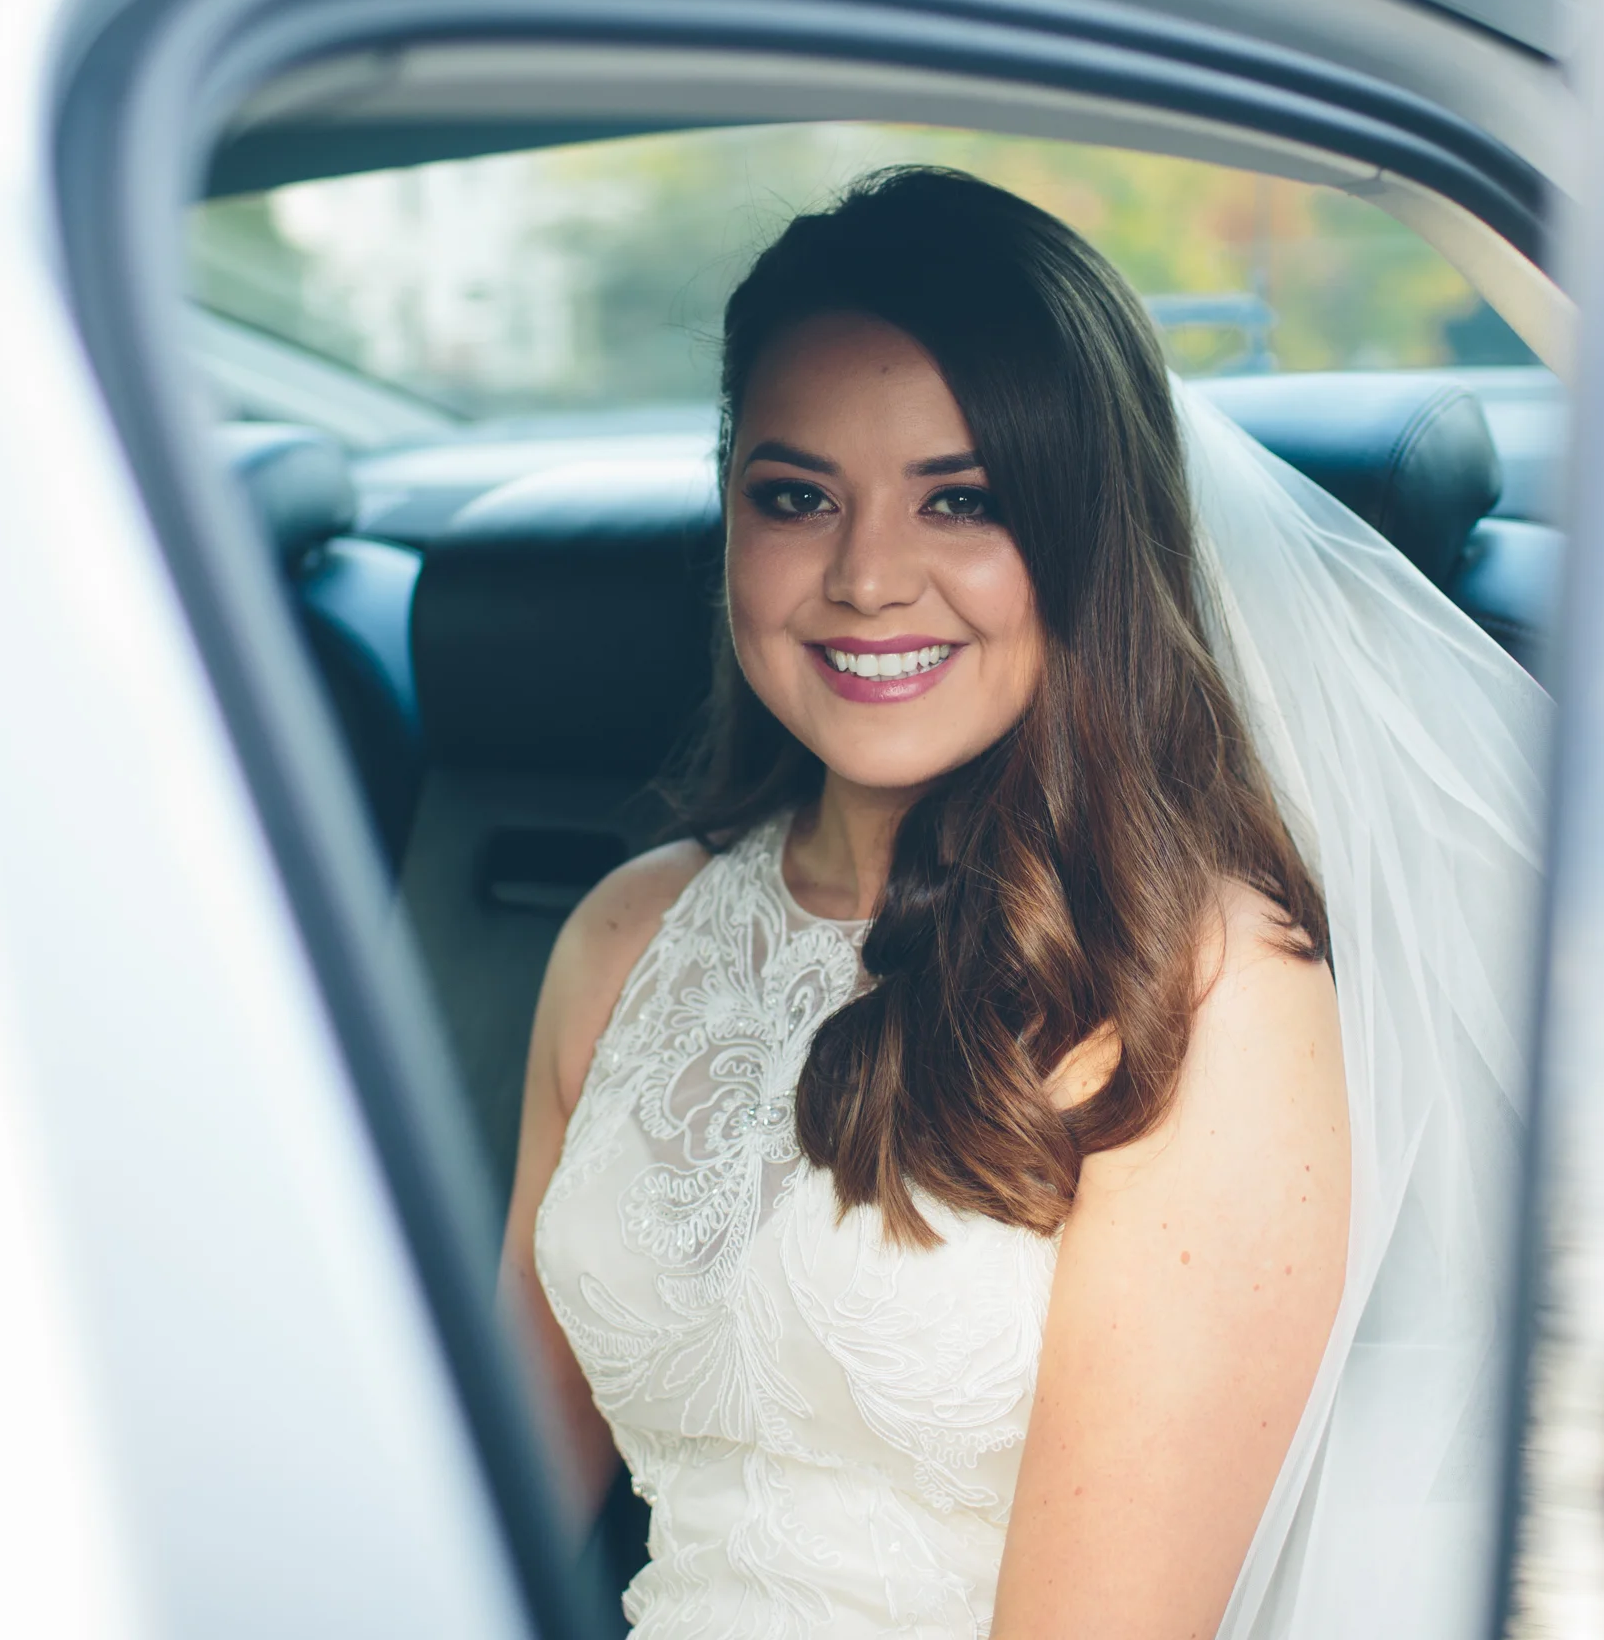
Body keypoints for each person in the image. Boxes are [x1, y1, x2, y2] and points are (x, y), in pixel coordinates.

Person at [504, 167, 1547, 1639]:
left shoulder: (1197, 993)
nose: (868, 578)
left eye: (965, 500)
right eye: (797, 497)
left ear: (1081, 533)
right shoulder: (621, 941)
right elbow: (469, 1511)